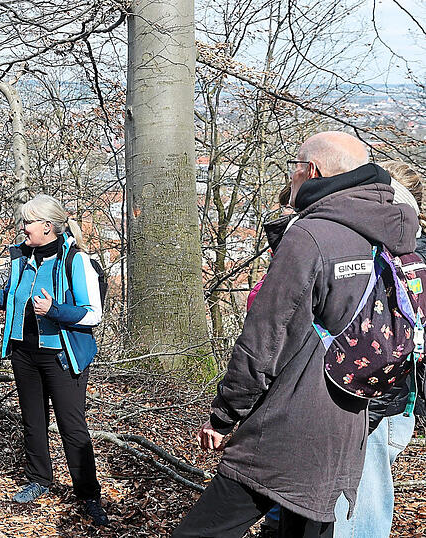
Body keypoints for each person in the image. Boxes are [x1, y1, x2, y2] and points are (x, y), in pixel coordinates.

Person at [173, 131, 419, 538]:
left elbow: (264, 340)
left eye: (294, 167)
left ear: (312, 171)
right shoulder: (385, 231)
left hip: (288, 421)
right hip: (348, 420)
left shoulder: (311, 236)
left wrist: (223, 415)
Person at [0, 194, 109, 526]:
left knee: (72, 427)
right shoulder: (22, 258)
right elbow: (10, 300)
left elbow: (93, 314)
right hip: (24, 353)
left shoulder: (75, 260)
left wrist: (55, 311)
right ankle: (39, 480)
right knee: (33, 420)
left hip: (62, 356)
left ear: (48, 227)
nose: (22, 228)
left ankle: (88, 494)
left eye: (27, 222)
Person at [331, 160, 426, 537]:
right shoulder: (411, 251)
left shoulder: (391, 254)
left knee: (359, 509)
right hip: (397, 400)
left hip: (372, 398)